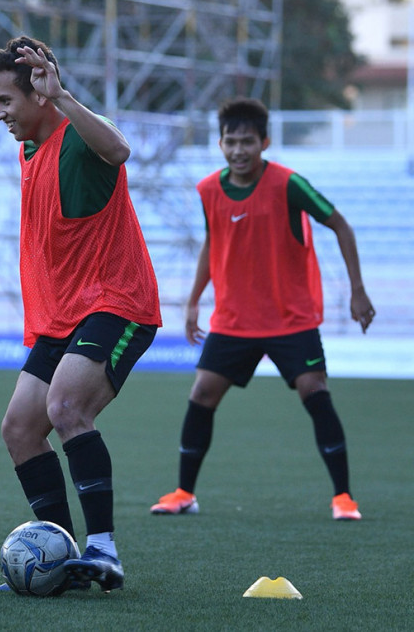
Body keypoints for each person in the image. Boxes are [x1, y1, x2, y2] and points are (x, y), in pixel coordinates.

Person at [0, 36, 162, 593]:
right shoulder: (29, 149)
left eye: (6, 100)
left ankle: (103, 551)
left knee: (65, 408)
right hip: (61, 317)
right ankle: (59, 556)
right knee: (19, 430)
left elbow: (119, 151)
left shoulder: (78, 135)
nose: (0, 113)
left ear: (38, 95)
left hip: (116, 302)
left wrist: (63, 96)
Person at [149, 97, 374, 521]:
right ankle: (183, 492)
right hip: (234, 319)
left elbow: (340, 224)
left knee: (315, 392)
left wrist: (358, 291)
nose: (238, 150)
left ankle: (344, 498)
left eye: (247, 142)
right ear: (220, 144)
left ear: (264, 142)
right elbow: (214, 242)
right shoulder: (209, 189)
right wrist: (195, 298)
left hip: (291, 318)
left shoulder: (289, 184)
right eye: (231, 142)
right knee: (201, 394)